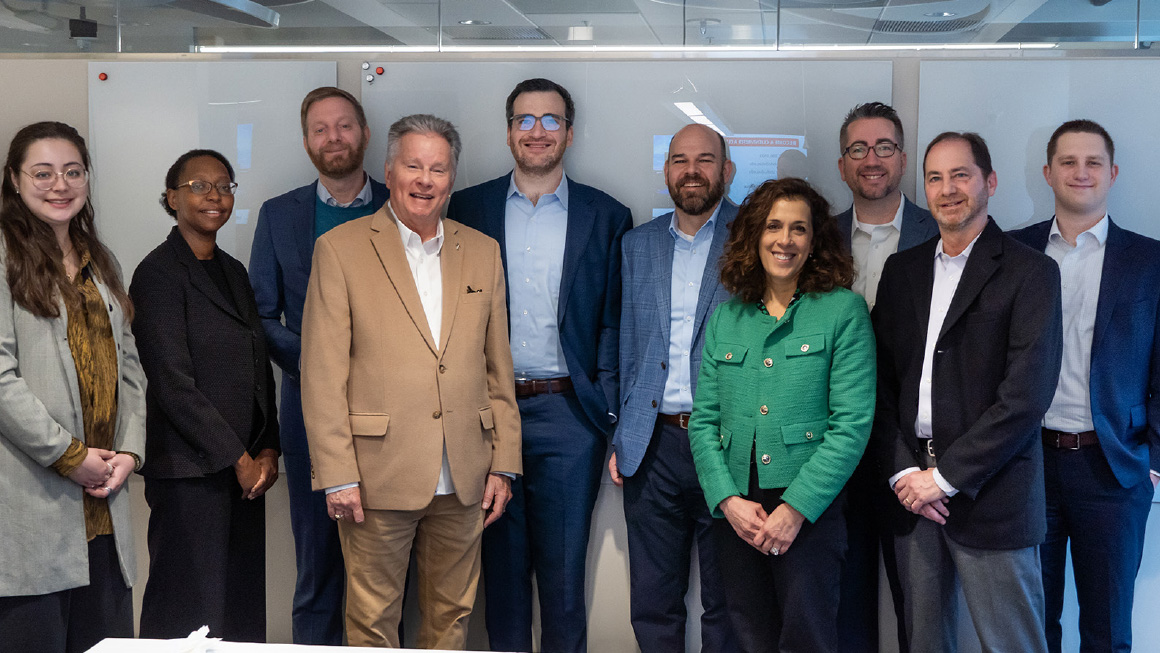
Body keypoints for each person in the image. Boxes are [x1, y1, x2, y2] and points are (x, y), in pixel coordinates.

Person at [301, 114, 521, 649]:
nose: (425, 180)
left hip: (466, 473)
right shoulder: (341, 249)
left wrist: (505, 462)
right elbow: (323, 373)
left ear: (451, 178)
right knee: (373, 621)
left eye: (438, 168)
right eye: (414, 166)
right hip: (377, 475)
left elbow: (498, 367)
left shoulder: (483, 251)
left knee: (452, 618)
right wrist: (337, 474)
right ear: (389, 169)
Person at [445, 77, 632, 653]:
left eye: (550, 120)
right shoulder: (467, 208)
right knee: (499, 578)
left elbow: (612, 322)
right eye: (525, 120)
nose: (537, 131)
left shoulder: (606, 215)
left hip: (569, 416)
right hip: (485, 414)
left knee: (564, 581)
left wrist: (603, 405)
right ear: (507, 133)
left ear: (569, 134)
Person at [873, 132, 1062, 653]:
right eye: (935, 177)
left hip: (994, 495)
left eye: (961, 175)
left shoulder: (1033, 273)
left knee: (1014, 644)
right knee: (924, 642)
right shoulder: (902, 271)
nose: (947, 188)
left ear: (990, 182)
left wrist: (947, 478)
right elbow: (880, 384)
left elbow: (1026, 397)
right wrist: (905, 471)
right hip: (911, 494)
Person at [687, 177, 875, 652]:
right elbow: (704, 421)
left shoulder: (843, 312)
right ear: (754, 235)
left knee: (807, 637)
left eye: (798, 229)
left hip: (808, 511)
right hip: (739, 511)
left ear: (814, 242)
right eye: (773, 226)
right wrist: (727, 501)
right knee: (749, 634)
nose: (784, 240)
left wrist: (795, 509)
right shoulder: (728, 317)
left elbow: (851, 425)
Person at [1009, 119, 1160, 653]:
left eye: (1093, 162)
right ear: (1048, 173)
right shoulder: (1010, 253)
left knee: (1109, 630)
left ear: (1113, 173)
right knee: (1030, 624)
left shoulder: (1151, 261)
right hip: (1027, 466)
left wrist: (1155, 459)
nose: (1081, 172)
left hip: (1114, 470)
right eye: (1068, 162)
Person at [248, 86, 389, 646]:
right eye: (321, 129)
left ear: (365, 134)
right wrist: (319, 364)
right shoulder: (280, 215)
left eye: (345, 126)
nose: (334, 138)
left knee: (384, 568)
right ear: (307, 141)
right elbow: (261, 314)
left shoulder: (402, 204)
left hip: (390, 413)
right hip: (308, 410)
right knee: (317, 565)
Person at [0, 121, 146, 652]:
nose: (59, 184)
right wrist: (68, 454)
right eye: (42, 173)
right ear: (15, 180)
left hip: (104, 501)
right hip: (32, 501)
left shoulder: (98, 259)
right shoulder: (4, 256)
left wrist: (128, 452)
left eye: (72, 171)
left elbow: (129, 365)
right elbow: (0, 377)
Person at [131, 149, 280, 642]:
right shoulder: (156, 274)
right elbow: (173, 383)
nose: (214, 196)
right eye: (198, 186)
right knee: (187, 611)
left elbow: (258, 367)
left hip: (243, 476)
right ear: (172, 197)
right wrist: (237, 457)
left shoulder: (232, 269)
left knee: (238, 610)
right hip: (191, 475)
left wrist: (267, 448)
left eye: (224, 185)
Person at [611, 123, 738, 653]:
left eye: (705, 159)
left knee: (729, 603)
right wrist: (621, 431)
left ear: (727, 171)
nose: (692, 170)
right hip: (652, 444)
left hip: (728, 442)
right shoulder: (637, 244)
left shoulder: (755, 239)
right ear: (666, 171)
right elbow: (623, 344)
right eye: (680, 160)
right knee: (653, 601)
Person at [833, 101, 937, 653]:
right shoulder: (814, 238)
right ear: (843, 163)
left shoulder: (941, 231)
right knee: (843, 606)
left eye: (884, 147)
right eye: (858, 149)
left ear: (902, 158)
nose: (871, 159)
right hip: (832, 452)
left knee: (920, 607)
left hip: (914, 454)